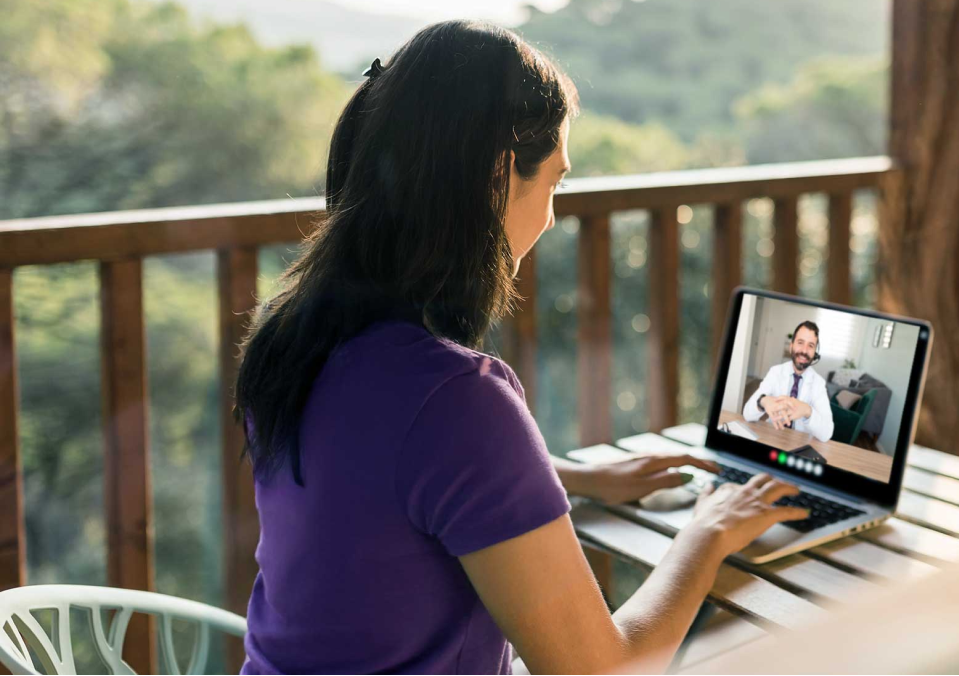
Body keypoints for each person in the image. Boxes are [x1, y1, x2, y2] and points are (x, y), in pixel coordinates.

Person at [233, 21, 809, 675]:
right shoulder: (453, 395)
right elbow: (600, 668)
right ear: (499, 174)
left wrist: (569, 481)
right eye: (556, 183)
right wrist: (706, 536)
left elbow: (379, 484)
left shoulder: (294, 336)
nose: (554, 216)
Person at [742, 321, 835, 441]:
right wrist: (763, 401)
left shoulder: (818, 383)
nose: (804, 351)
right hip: (772, 437)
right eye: (800, 342)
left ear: (815, 353)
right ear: (791, 346)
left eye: (810, 346)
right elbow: (747, 414)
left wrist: (807, 411)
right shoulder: (775, 372)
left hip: (799, 444)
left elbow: (827, 433)